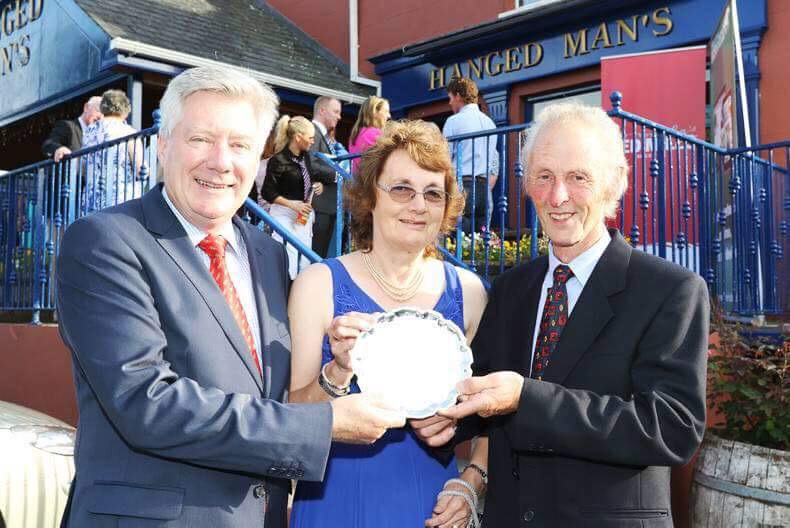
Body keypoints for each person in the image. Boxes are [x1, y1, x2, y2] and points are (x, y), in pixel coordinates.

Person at [55, 65, 405, 528]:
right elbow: (146, 401)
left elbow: (268, 400)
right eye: (201, 138)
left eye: (239, 145)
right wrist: (326, 426)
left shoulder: (267, 254)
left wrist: (335, 376)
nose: (221, 161)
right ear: (163, 146)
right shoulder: (104, 242)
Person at [432, 102, 709, 527]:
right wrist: (434, 411)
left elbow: (671, 429)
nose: (558, 197)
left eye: (578, 177)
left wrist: (527, 398)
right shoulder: (509, 289)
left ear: (613, 183)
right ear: (526, 184)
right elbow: (478, 394)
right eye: (544, 177)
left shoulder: (670, 291)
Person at [287, 120, 490, 528]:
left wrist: (473, 479)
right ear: (370, 197)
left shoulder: (469, 292)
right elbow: (291, 415)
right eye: (401, 189)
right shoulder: (319, 284)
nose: (418, 205)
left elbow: (490, 417)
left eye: (433, 193)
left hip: (432, 505)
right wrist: (337, 372)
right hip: (336, 502)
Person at [262, 115, 336, 278]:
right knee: (288, 261)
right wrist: (292, 205)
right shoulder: (278, 160)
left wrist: (319, 185)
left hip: (303, 215)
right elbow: (267, 192)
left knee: (303, 264)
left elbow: (307, 178)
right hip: (284, 214)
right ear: (298, 137)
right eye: (310, 138)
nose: (312, 141)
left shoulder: (306, 158)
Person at [442, 77, 498, 233]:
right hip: (484, 189)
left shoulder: (454, 121)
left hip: (462, 185)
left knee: (457, 239)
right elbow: (494, 160)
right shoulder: (490, 124)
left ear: (458, 96)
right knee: (480, 242)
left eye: (450, 98)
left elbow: (444, 158)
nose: (450, 102)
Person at [81, 89, 145, 211]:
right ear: (125, 110)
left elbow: (83, 167)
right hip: (120, 199)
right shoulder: (128, 132)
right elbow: (139, 169)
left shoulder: (89, 131)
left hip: (92, 198)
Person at [309, 96, 343, 258]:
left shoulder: (322, 136)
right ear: (322, 111)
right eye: (335, 111)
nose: (339, 116)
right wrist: (337, 174)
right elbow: (311, 164)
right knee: (314, 255)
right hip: (318, 206)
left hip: (326, 207)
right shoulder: (312, 132)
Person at [42, 96, 103, 162]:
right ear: (86, 107)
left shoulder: (99, 137)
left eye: (104, 114)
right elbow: (48, 144)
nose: (100, 117)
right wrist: (59, 149)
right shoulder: (68, 126)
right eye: (99, 110)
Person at [348, 95, 391, 173]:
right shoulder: (376, 133)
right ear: (374, 112)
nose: (389, 116)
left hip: (356, 180)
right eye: (386, 111)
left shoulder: (356, 134)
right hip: (370, 181)